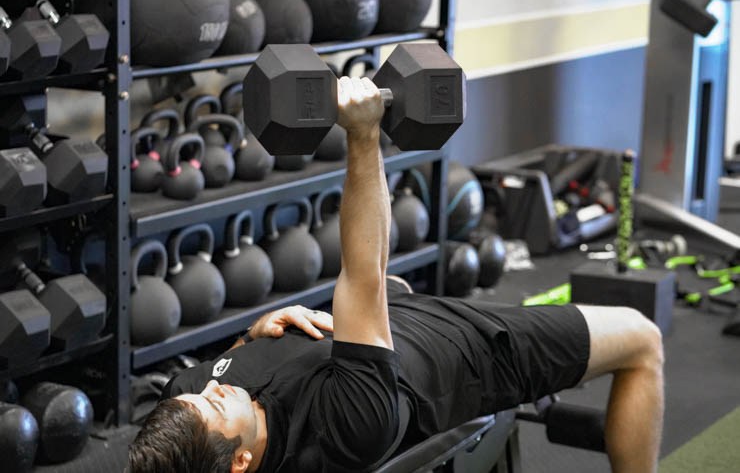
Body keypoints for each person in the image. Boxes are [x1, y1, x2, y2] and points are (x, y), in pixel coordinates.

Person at [128, 77, 664, 473]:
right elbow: (363, 271)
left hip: (390, 313)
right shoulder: (346, 427)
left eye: (199, 396)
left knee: (391, 289)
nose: (215, 391)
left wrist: (254, 331)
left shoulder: (189, 399)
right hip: (467, 348)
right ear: (241, 461)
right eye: (214, 408)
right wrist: (364, 134)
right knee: (643, 339)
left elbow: (205, 387)